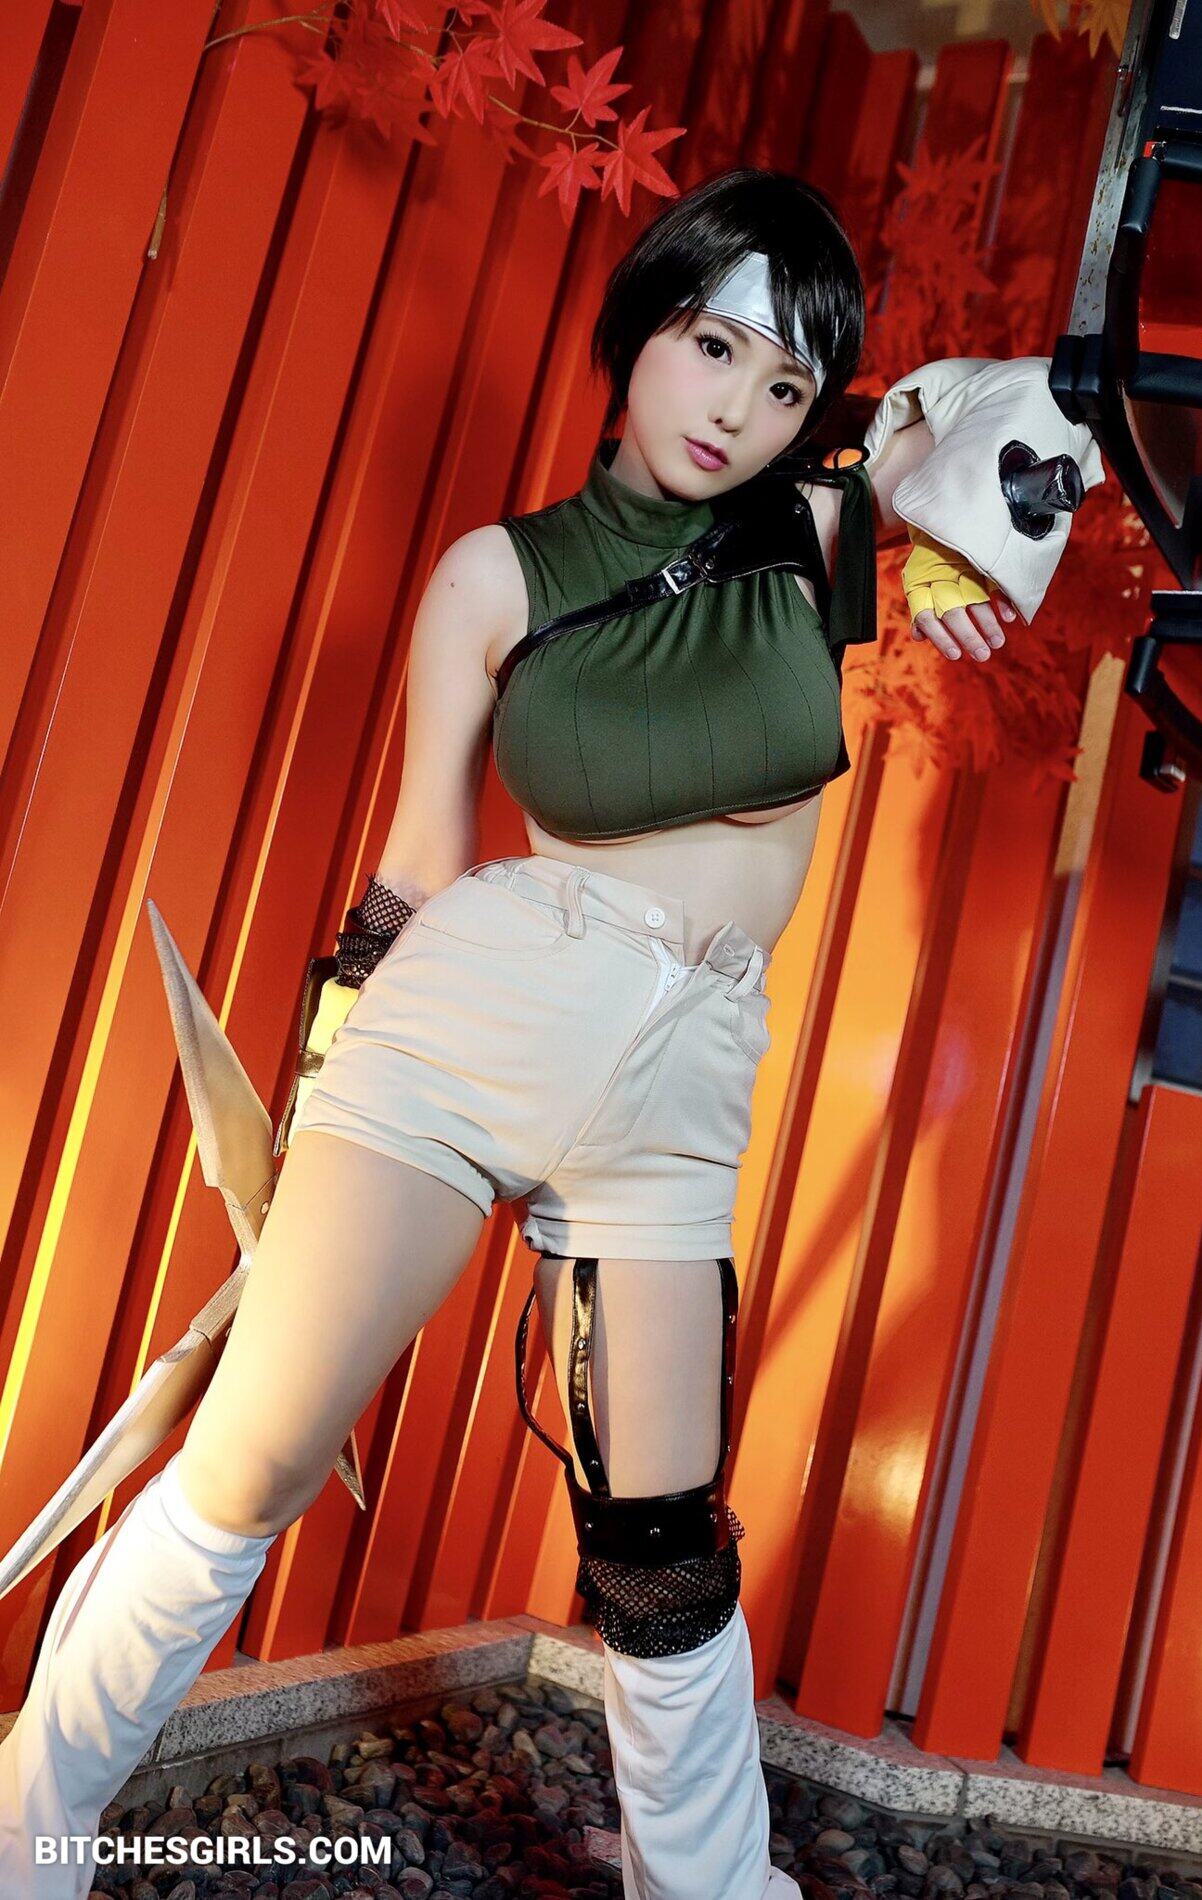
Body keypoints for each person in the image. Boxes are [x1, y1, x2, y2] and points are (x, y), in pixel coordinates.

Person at [0, 165, 1101, 1900]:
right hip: (479, 1016)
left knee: (663, 1552)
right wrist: (316, 1090)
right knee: (252, 1462)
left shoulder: (814, 541)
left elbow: (1017, 409)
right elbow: (417, 859)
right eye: (710, 346)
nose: (736, 407)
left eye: (786, 382)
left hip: (685, 1081)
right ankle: (24, 1839)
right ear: (640, 328)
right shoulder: (494, 575)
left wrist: (964, 521)